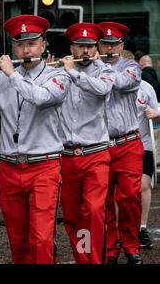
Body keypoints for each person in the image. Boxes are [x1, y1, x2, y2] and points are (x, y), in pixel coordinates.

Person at [0, 15, 71, 264]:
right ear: (13, 47)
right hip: (9, 167)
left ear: (42, 45)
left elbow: (40, 98)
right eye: (20, 44)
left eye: (32, 43)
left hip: (44, 166)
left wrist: (12, 76)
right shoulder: (0, 79)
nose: (26, 49)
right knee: (17, 240)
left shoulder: (57, 76)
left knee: (41, 237)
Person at [59, 23, 115, 264]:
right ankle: (83, 260)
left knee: (92, 211)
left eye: (90, 47)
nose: (85, 51)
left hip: (96, 155)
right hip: (67, 156)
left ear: (96, 49)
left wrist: (73, 73)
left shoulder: (106, 70)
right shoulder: (60, 70)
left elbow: (102, 90)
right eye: (80, 46)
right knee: (72, 218)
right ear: (72, 48)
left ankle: (94, 261)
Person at [98, 21, 143, 264]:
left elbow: (124, 82)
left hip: (127, 143)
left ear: (121, 45)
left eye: (114, 44)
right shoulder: (90, 67)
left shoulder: (131, 67)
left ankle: (131, 246)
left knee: (130, 197)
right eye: (105, 43)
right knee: (102, 200)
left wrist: (96, 69)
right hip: (101, 145)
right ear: (98, 44)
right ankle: (111, 249)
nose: (109, 48)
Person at [136, 80, 160, 249]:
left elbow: (157, 110)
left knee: (144, 184)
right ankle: (118, 229)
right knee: (117, 188)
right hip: (117, 143)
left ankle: (142, 228)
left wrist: (156, 113)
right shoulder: (109, 83)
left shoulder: (146, 87)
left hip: (144, 143)